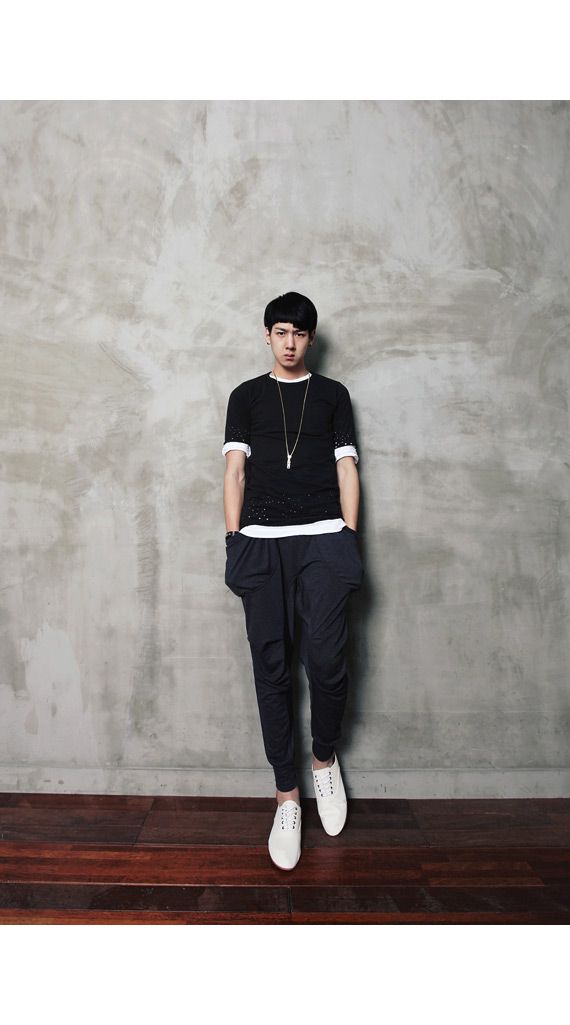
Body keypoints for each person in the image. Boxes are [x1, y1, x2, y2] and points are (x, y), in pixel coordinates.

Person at [223, 291, 363, 870]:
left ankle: (323, 761)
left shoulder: (332, 395)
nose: (289, 342)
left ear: (310, 339)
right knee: (272, 670)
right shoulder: (245, 396)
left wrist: (347, 535)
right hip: (261, 542)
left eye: (299, 334)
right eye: (280, 332)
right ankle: (287, 796)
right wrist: (234, 540)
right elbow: (234, 472)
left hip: (324, 537)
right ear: (267, 335)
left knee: (327, 662)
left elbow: (346, 467)